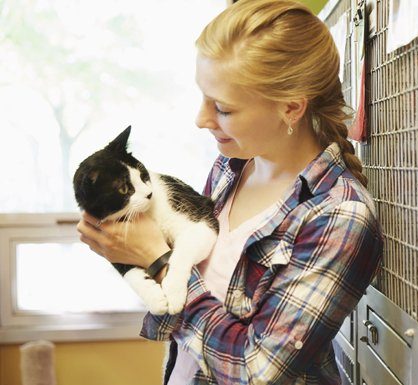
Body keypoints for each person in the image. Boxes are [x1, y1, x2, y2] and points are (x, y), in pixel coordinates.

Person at [76, 0, 384, 384]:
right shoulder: (231, 167)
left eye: (222, 108)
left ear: (290, 108)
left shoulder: (337, 215)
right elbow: (184, 309)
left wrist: (157, 259)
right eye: (203, 97)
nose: (201, 119)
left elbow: (255, 371)